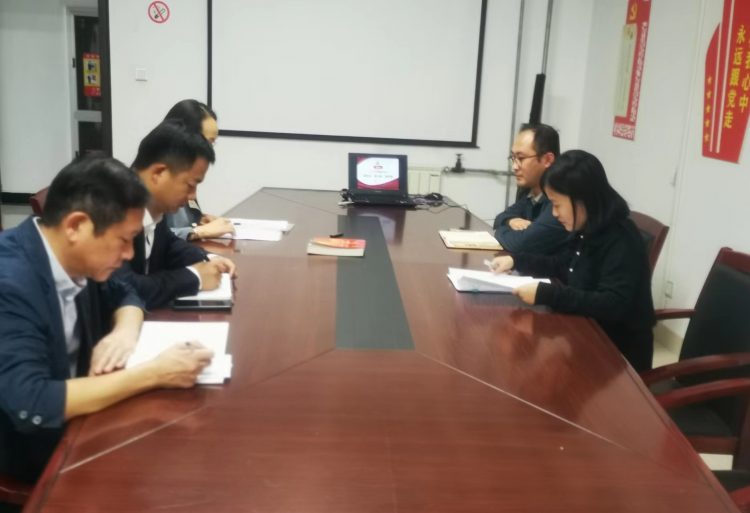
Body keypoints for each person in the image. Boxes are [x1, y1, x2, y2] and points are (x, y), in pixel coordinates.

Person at [0, 157, 214, 485]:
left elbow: (125, 291)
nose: (129, 255)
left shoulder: (73, 253)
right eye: (124, 240)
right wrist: (156, 373)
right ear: (76, 226)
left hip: (84, 420)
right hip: (34, 453)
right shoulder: (11, 281)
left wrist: (124, 332)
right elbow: (32, 401)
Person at [490, 150, 655, 372]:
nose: (554, 213)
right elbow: (562, 264)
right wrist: (516, 261)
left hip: (617, 357)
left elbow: (612, 304)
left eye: (557, 205)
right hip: (585, 334)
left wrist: (547, 294)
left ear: (582, 200)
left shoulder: (621, 238)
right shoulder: (588, 228)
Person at [112, 120, 237, 310]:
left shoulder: (152, 206)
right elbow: (124, 288)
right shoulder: (114, 209)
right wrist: (195, 277)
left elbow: (170, 245)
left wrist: (210, 259)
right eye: (190, 185)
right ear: (159, 173)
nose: (192, 196)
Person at [162, 99, 234, 241]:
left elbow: (185, 218)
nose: (210, 150)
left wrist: (199, 220)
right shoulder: (162, 174)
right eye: (207, 142)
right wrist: (198, 231)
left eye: (213, 143)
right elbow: (153, 237)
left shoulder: (187, 169)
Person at [493, 123, 569, 254]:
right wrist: (511, 221)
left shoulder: (560, 199)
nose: (514, 167)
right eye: (513, 158)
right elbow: (500, 218)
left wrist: (499, 232)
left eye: (521, 158)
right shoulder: (531, 192)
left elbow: (522, 244)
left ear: (547, 160)